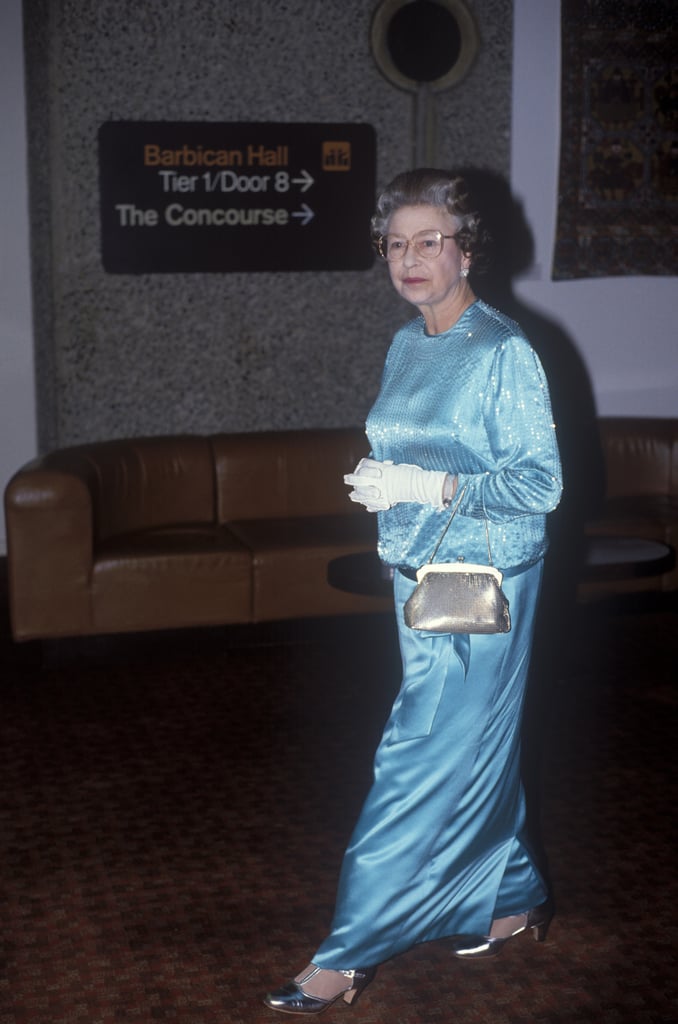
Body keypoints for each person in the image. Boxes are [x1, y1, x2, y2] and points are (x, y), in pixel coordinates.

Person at [263, 168, 563, 1015]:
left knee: (417, 753)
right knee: (467, 746)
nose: (410, 259)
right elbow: (419, 444)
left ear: (467, 248)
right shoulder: (408, 343)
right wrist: (388, 481)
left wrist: (431, 489)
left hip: (481, 579)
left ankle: (346, 951)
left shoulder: (503, 350)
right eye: (396, 244)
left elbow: (540, 484)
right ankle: (511, 899)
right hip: (417, 574)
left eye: (429, 241)